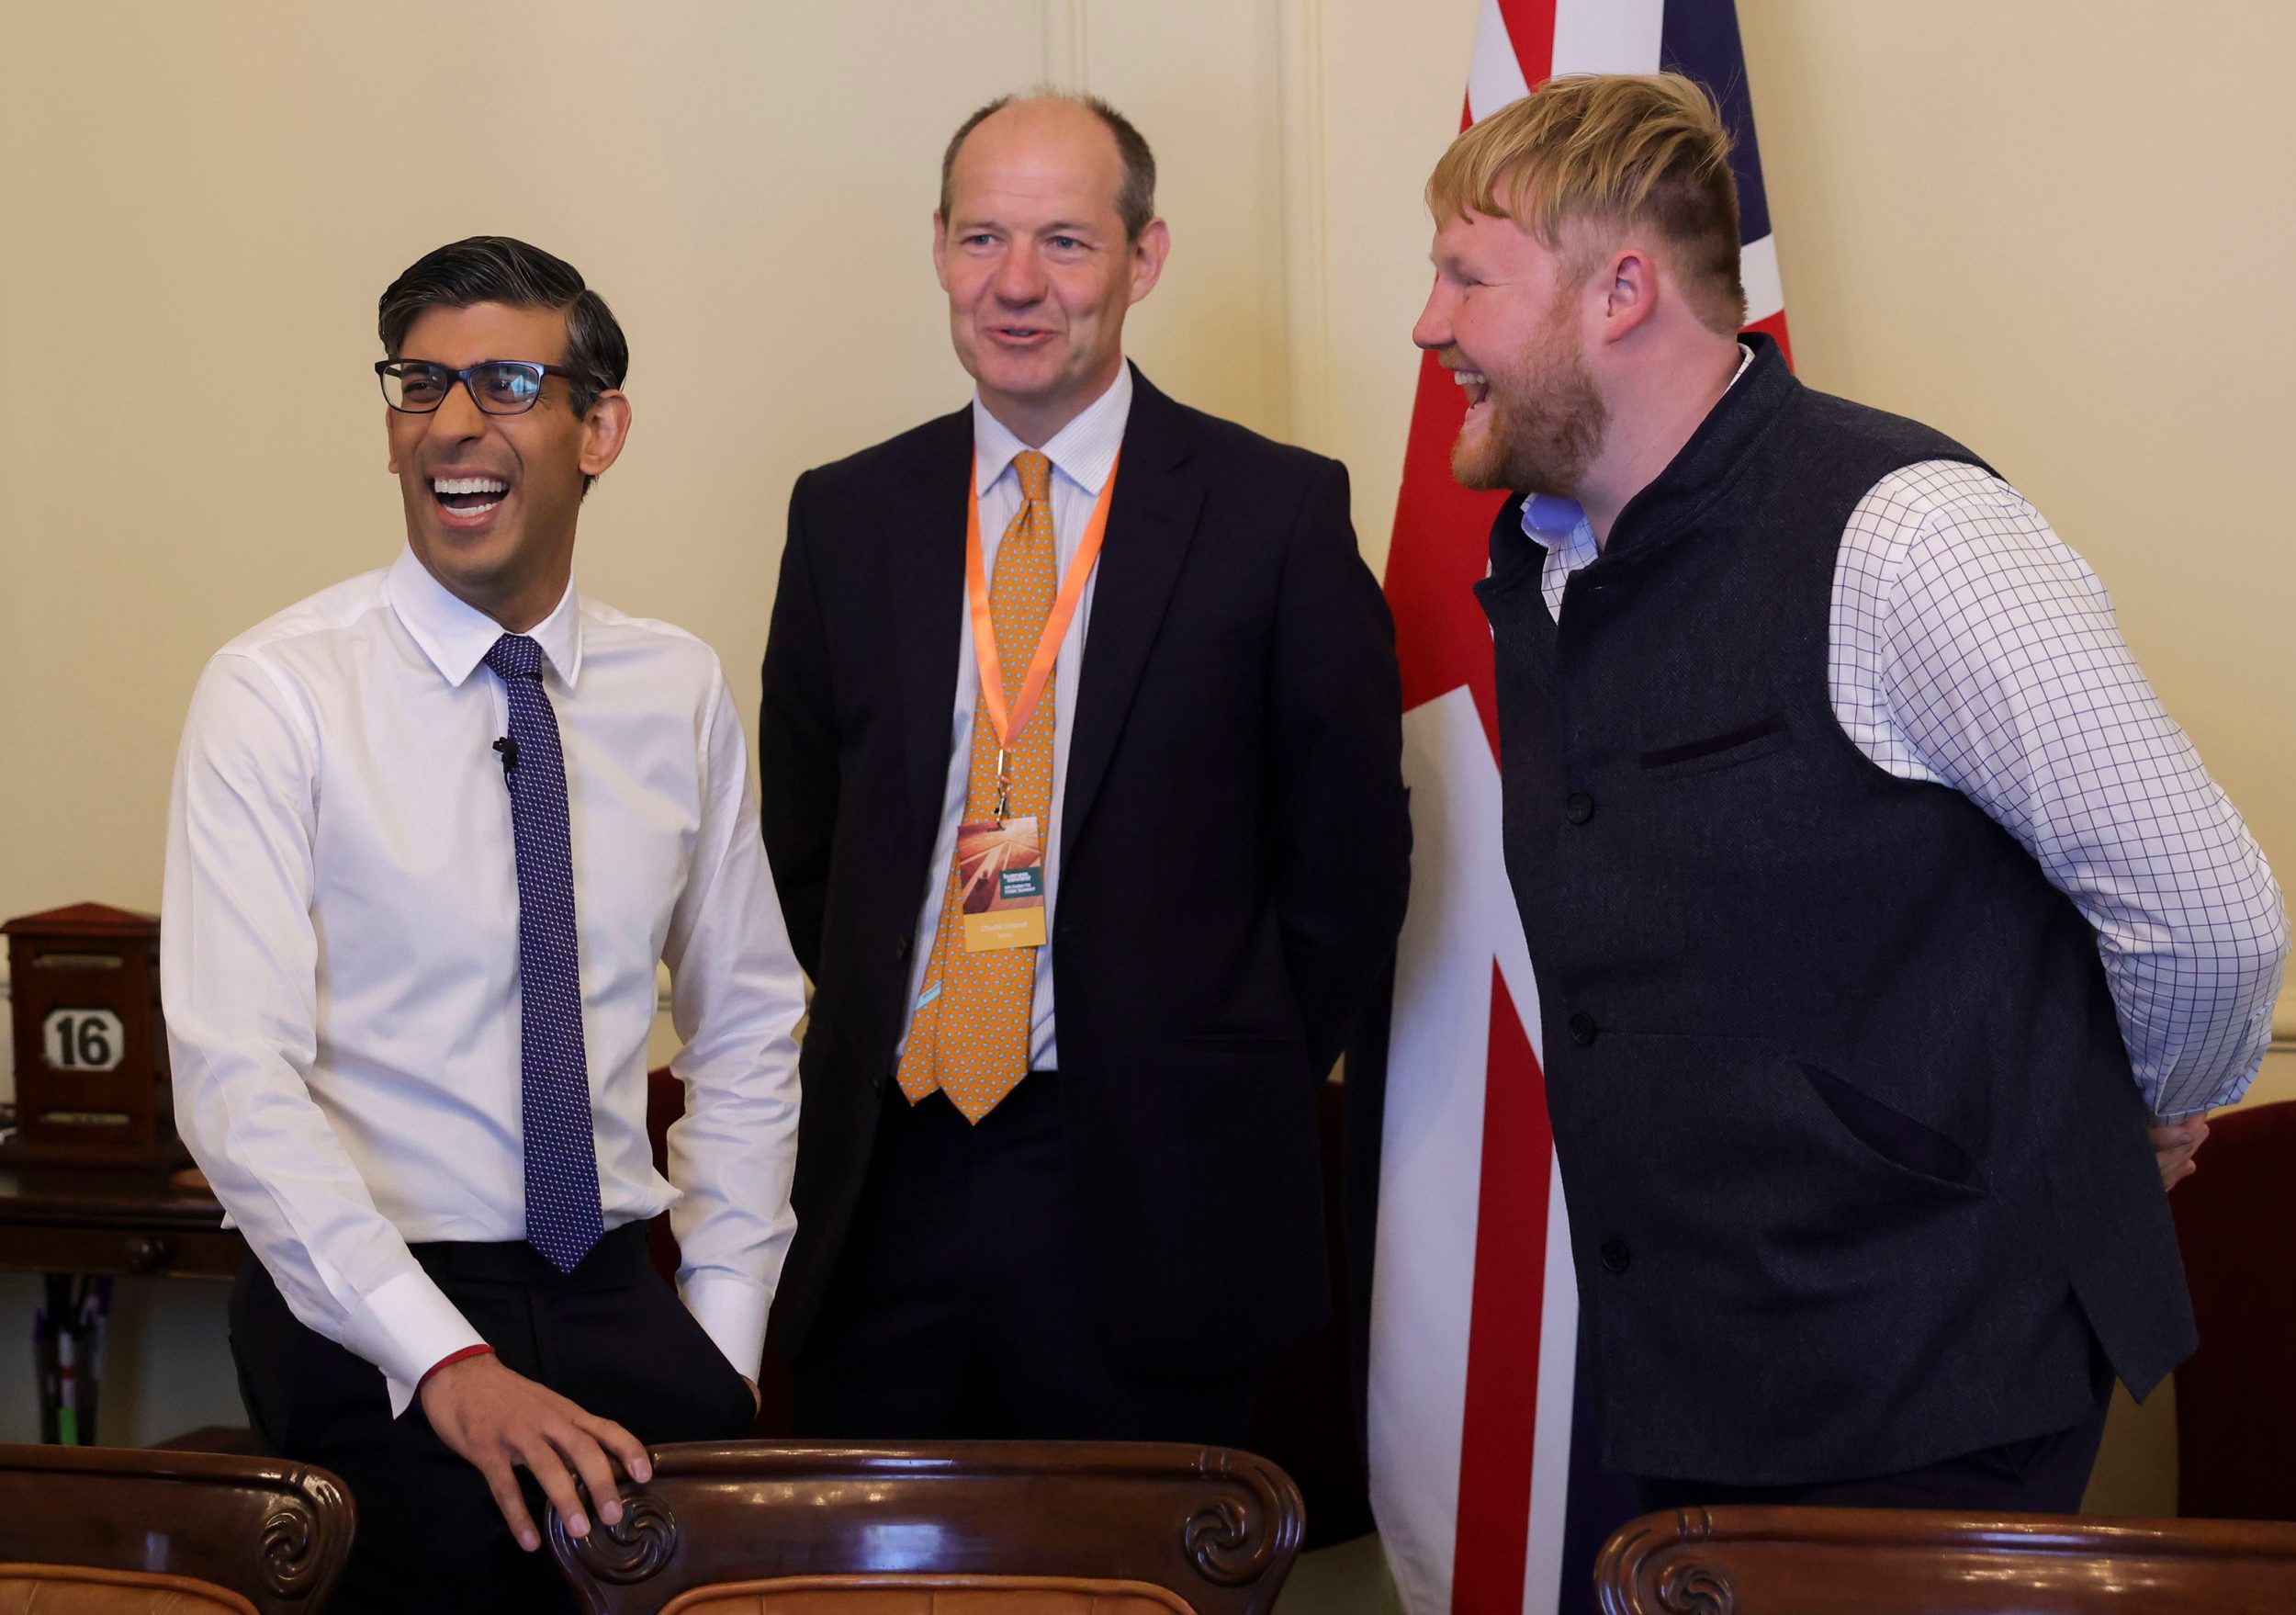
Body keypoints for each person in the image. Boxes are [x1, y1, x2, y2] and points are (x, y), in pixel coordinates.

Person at [1412, 74, 2287, 1512]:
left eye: (1466, 277)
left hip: (1931, 1386)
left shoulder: (1907, 531)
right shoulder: (1555, 561)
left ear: (1619, 291)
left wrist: (2125, 1107)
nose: (1429, 324)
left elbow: (2211, 913)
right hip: (1699, 1379)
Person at [163, 236, 804, 1613]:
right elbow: (237, 1085)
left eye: (507, 382)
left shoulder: (675, 687)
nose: (453, 424)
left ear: (600, 428)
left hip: (613, 1287)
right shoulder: (274, 695)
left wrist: (726, 1329)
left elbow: (749, 1014)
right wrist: (444, 1364)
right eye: (421, 383)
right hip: (367, 1306)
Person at [760, 91, 1411, 1444]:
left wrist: (1226, 1067)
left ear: (1143, 258)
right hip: (888, 1171)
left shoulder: (1276, 513)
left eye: (1064, 241)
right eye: (984, 237)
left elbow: (1348, 855)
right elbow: (809, 836)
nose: (1016, 285)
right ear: (938, 247)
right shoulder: (846, 514)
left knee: (1135, 1576)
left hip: (1158, 1185)